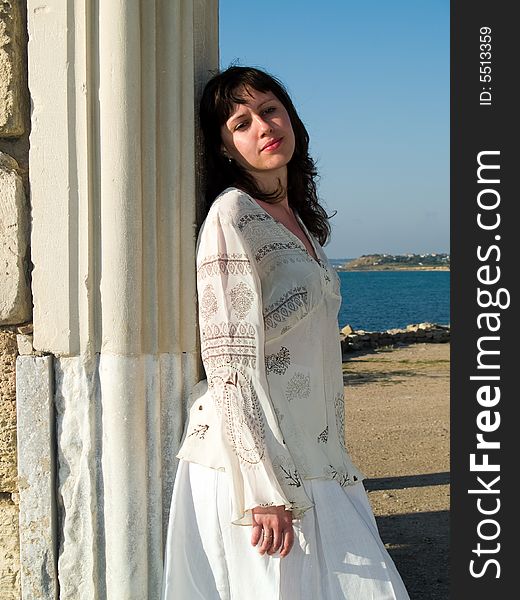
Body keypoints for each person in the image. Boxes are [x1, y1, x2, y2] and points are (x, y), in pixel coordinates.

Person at [161, 66, 410, 600]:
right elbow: (228, 361)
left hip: (320, 459)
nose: (263, 126)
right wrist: (262, 490)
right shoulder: (233, 215)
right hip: (257, 467)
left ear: (291, 117)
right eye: (241, 121)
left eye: (270, 110)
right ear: (226, 148)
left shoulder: (297, 221)